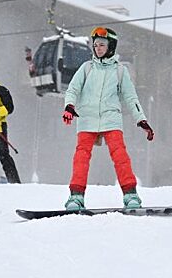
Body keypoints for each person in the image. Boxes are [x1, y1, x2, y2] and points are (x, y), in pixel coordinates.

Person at [62, 27, 155, 210]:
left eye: (102, 45)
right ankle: (76, 197)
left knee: (120, 156)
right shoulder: (86, 68)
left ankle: (131, 195)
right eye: (95, 45)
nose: (98, 48)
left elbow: (131, 98)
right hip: (87, 119)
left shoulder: (120, 71)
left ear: (111, 46)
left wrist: (141, 120)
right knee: (81, 157)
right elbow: (73, 89)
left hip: (111, 119)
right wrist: (69, 106)